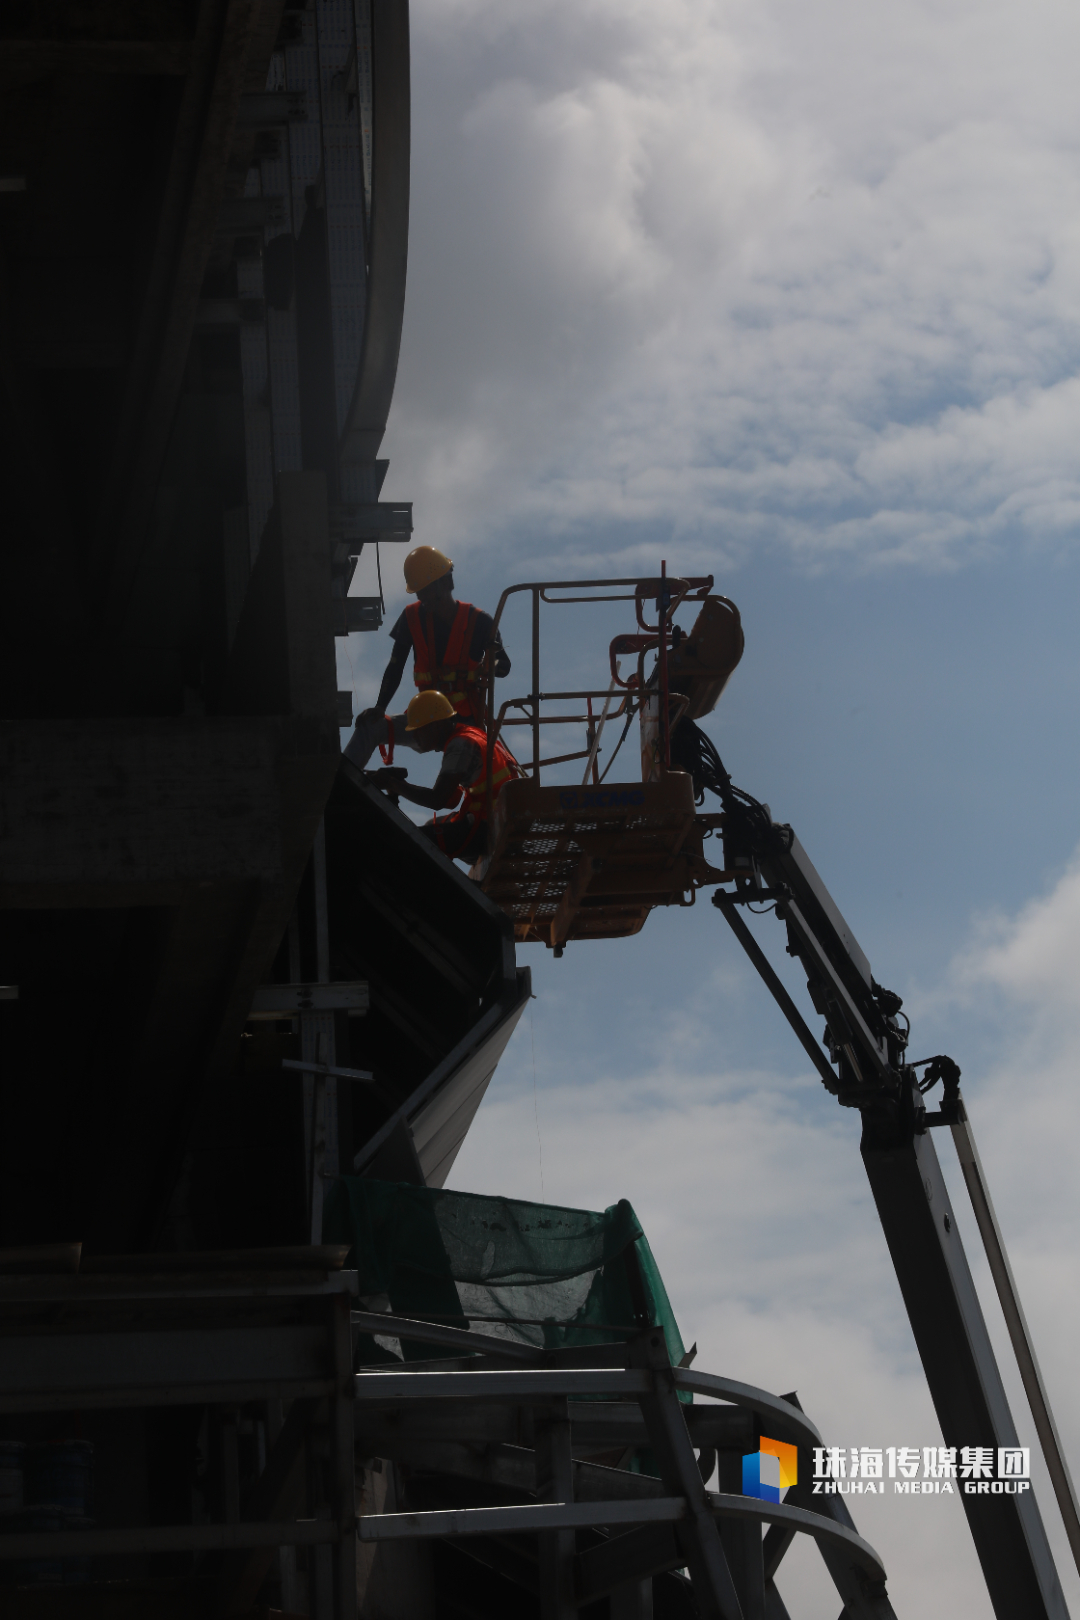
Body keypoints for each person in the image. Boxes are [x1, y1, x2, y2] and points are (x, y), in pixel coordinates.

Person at [343, 546, 510, 769]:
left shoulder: (479, 622)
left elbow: (504, 664)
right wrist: (380, 707)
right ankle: (341, 783)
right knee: (371, 726)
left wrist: (490, 665)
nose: (422, 597)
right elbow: (395, 665)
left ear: (446, 584)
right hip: (424, 723)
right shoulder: (412, 617)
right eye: (419, 591)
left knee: (477, 770)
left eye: (426, 590)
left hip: (464, 723)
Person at [368, 691, 521, 863]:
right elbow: (452, 800)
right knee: (430, 827)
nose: (415, 737)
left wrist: (392, 784)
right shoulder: (469, 736)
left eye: (418, 730)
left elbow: (437, 800)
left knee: (410, 841)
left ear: (436, 725)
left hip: (490, 827)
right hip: (497, 819)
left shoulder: (460, 745)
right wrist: (399, 785)